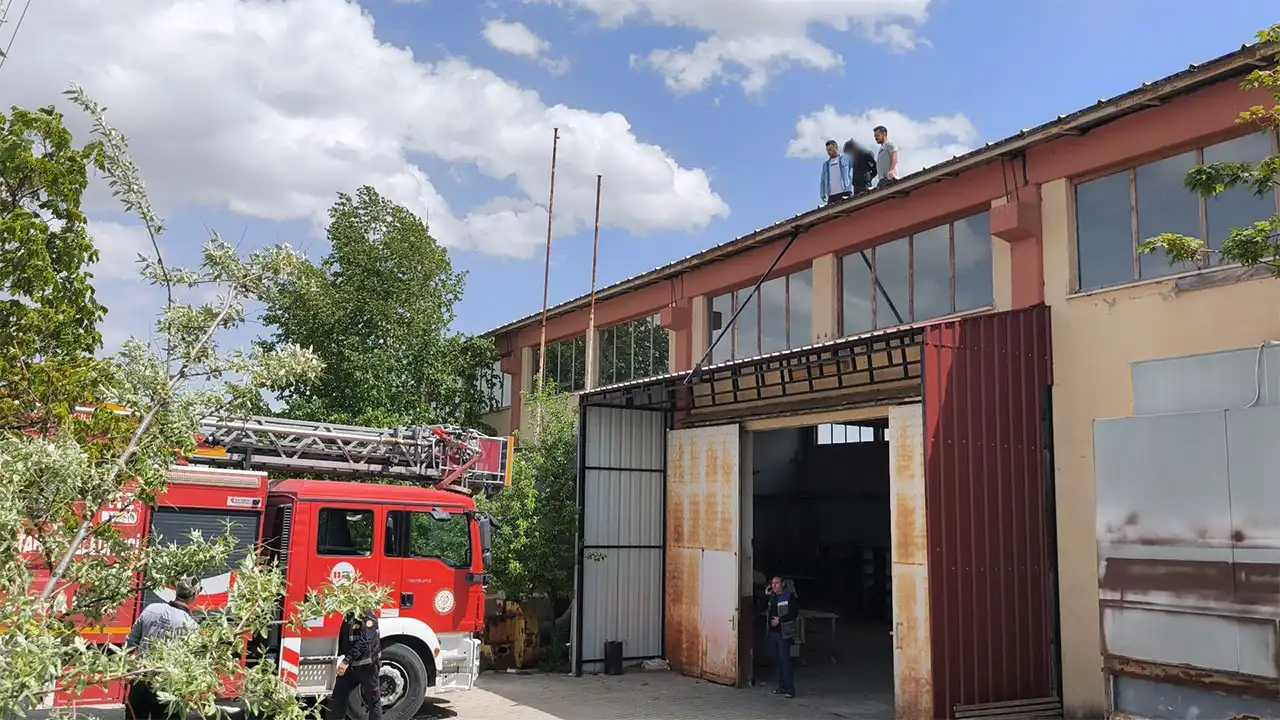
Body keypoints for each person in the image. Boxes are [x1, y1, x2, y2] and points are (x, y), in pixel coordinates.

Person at [125, 577, 200, 719]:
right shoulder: (190, 626)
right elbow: (191, 661)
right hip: (166, 687)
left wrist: (128, 670)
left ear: (176, 591)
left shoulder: (151, 609)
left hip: (140, 679)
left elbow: (130, 643)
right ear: (195, 595)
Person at [327, 610, 382, 720]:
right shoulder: (350, 615)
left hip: (367, 667)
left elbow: (363, 642)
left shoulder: (369, 617)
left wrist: (346, 661)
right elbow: (344, 639)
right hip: (351, 667)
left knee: (373, 700)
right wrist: (341, 657)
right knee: (338, 696)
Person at [765, 575, 797, 698]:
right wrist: (766, 595)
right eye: (772, 583)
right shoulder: (771, 598)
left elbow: (794, 613)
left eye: (777, 583)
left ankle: (790, 689)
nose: (774, 585)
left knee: (785, 660)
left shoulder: (789, 596)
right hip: (772, 633)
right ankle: (781, 686)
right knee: (776, 660)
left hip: (784, 634)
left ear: (782, 584)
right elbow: (762, 608)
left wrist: (780, 620)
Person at [819, 139, 853, 205]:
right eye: (827, 150)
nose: (828, 152)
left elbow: (855, 168)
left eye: (830, 150)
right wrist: (822, 193)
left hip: (845, 191)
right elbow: (823, 180)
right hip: (832, 195)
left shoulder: (847, 158)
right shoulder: (826, 165)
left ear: (836, 148)